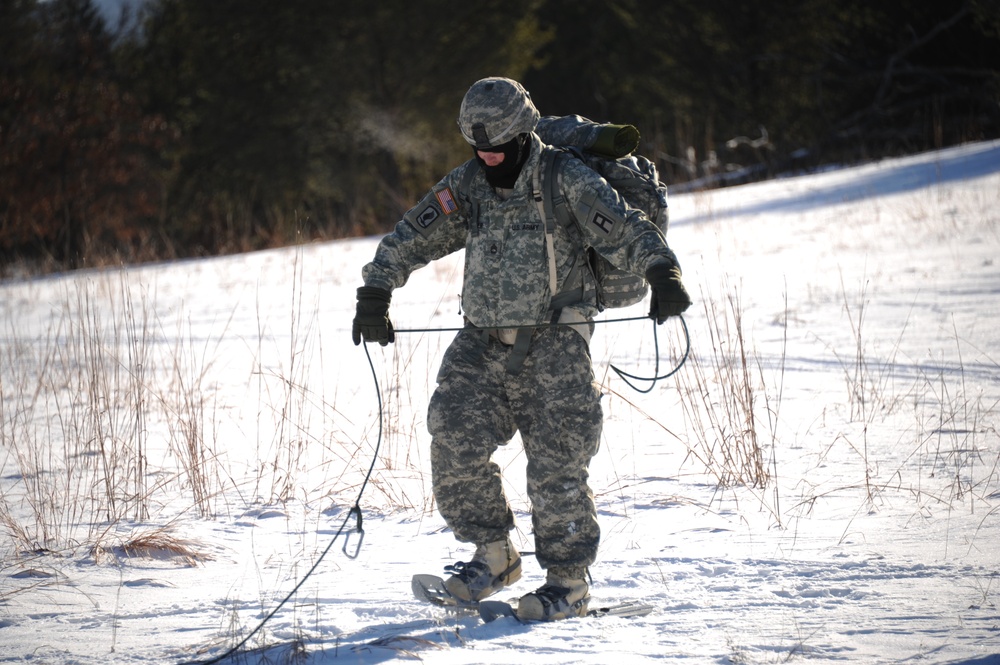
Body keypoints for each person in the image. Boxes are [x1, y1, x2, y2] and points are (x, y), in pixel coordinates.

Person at [352, 77, 691, 621]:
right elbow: (415, 233)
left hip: (556, 344)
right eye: (478, 149)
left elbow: (624, 228)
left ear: (523, 134)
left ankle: (567, 582)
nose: (488, 158)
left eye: (498, 149)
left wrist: (662, 271)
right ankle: (494, 555)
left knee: (557, 467)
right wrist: (376, 290)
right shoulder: (468, 182)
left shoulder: (565, 175)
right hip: (479, 343)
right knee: (454, 441)